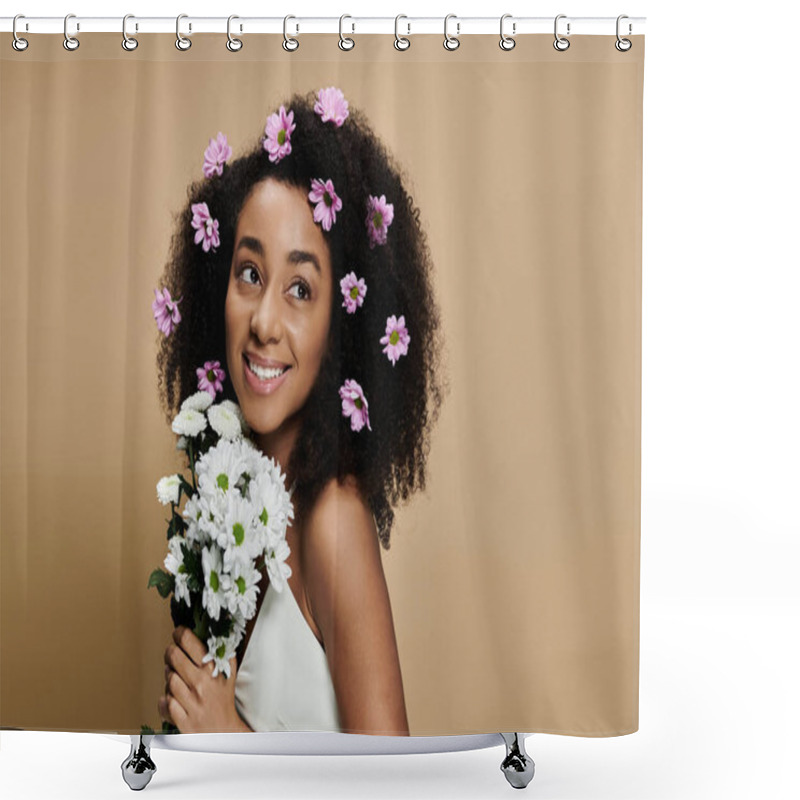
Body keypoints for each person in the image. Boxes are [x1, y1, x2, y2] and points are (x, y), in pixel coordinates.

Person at [153, 87, 446, 735]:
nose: (263, 322)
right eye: (250, 273)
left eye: (300, 289)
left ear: (340, 327)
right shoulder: (243, 510)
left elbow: (394, 791)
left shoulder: (332, 521)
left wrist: (225, 738)